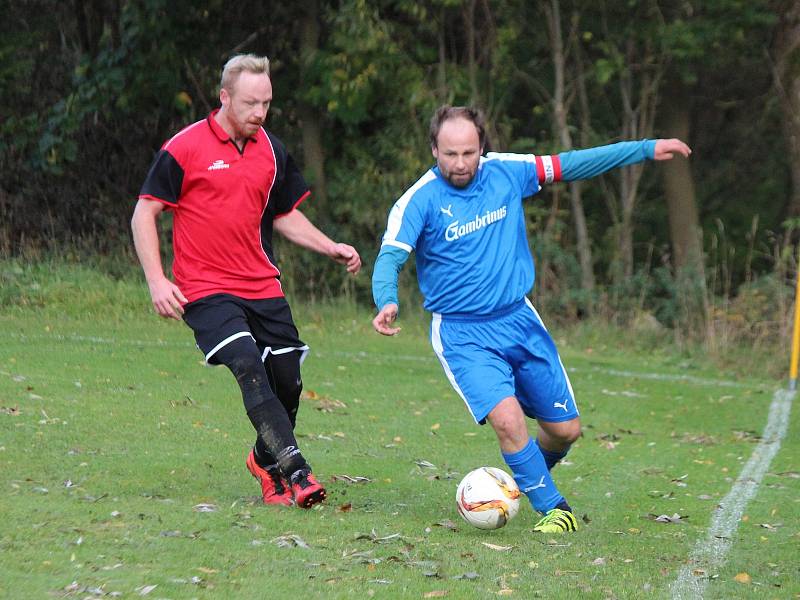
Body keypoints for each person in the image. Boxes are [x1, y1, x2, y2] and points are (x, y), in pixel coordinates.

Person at [371, 105, 690, 532]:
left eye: (468, 152)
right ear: (434, 149)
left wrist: (645, 149)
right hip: (464, 333)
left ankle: (523, 481)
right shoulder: (419, 199)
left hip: (520, 319)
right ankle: (554, 510)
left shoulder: (508, 171)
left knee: (565, 431)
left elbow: (574, 163)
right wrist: (387, 300)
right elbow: (390, 257)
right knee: (508, 420)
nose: (460, 163)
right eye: (449, 154)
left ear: (482, 146)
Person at [132, 54, 361, 509]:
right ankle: (297, 471)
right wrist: (157, 280)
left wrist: (328, 245)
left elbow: (285, 215)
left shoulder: (272, 151)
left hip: (262, 285)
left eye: (267, 103)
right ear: (224, 97)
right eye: (250, 103)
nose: (259, 113)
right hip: (205, 288)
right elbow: (145, 210)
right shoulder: (185, 147)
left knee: (288, 381)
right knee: (247, 364)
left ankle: (264, 459)